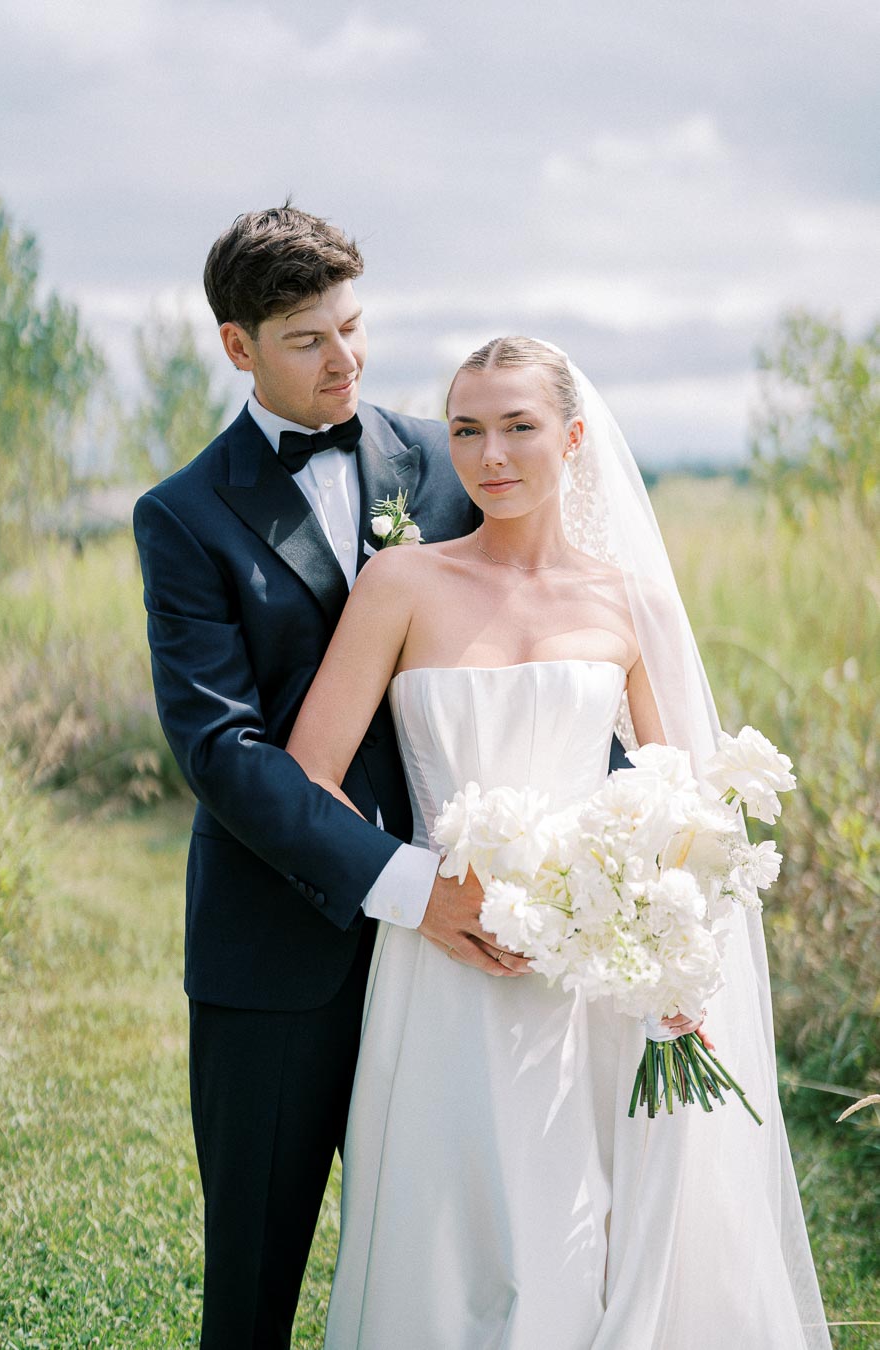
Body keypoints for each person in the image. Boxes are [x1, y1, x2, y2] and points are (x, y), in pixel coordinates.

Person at [286, 337, 831, 1349]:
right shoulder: (401, 583)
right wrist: (416, 892)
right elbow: (309, 771)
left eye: (520, 427)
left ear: (573, 439)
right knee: (458, 1231)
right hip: (444, 957)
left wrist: (671, 952)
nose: (491, 454)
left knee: (597, 1229)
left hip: (596, 976)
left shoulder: (626, 600)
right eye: (467, 430)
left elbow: (685, 802)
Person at [133, 206, 520, 1349]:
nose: (345, 360)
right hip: (273, 954)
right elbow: (221, 750)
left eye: (354, 326)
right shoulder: (183, 517)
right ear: (237, 346)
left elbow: (517, 658)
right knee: (252, 1284)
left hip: (461, 958)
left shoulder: (442, 469)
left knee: (454, 1274)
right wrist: (404, 884)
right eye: (307, 339)